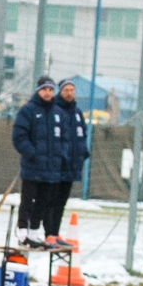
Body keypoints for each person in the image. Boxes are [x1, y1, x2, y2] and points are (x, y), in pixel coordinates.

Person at [10, 76, 72, 250]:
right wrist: (33, 154)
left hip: (51, 169)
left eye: (51, 90)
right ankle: (23, 234)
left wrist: (60, 156)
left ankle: (34, 233)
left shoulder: (58, 113)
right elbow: (19, 137)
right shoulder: (28, 111)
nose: (48, 93)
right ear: (38, 90)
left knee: (43, 202)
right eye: (44, 89)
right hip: (32, 167)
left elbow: (65, 139)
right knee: (27, 200)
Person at [58, 78, 90, 212]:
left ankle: (55, 226)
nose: (69, 93)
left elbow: (83, 135)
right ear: (60, 91)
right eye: (66, 90)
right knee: (50, 201)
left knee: (61, 202)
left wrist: (83, 152)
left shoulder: (77, 113)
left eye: (72, 90)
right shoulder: (55, 110)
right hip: (57, 166)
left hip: (72, 165)